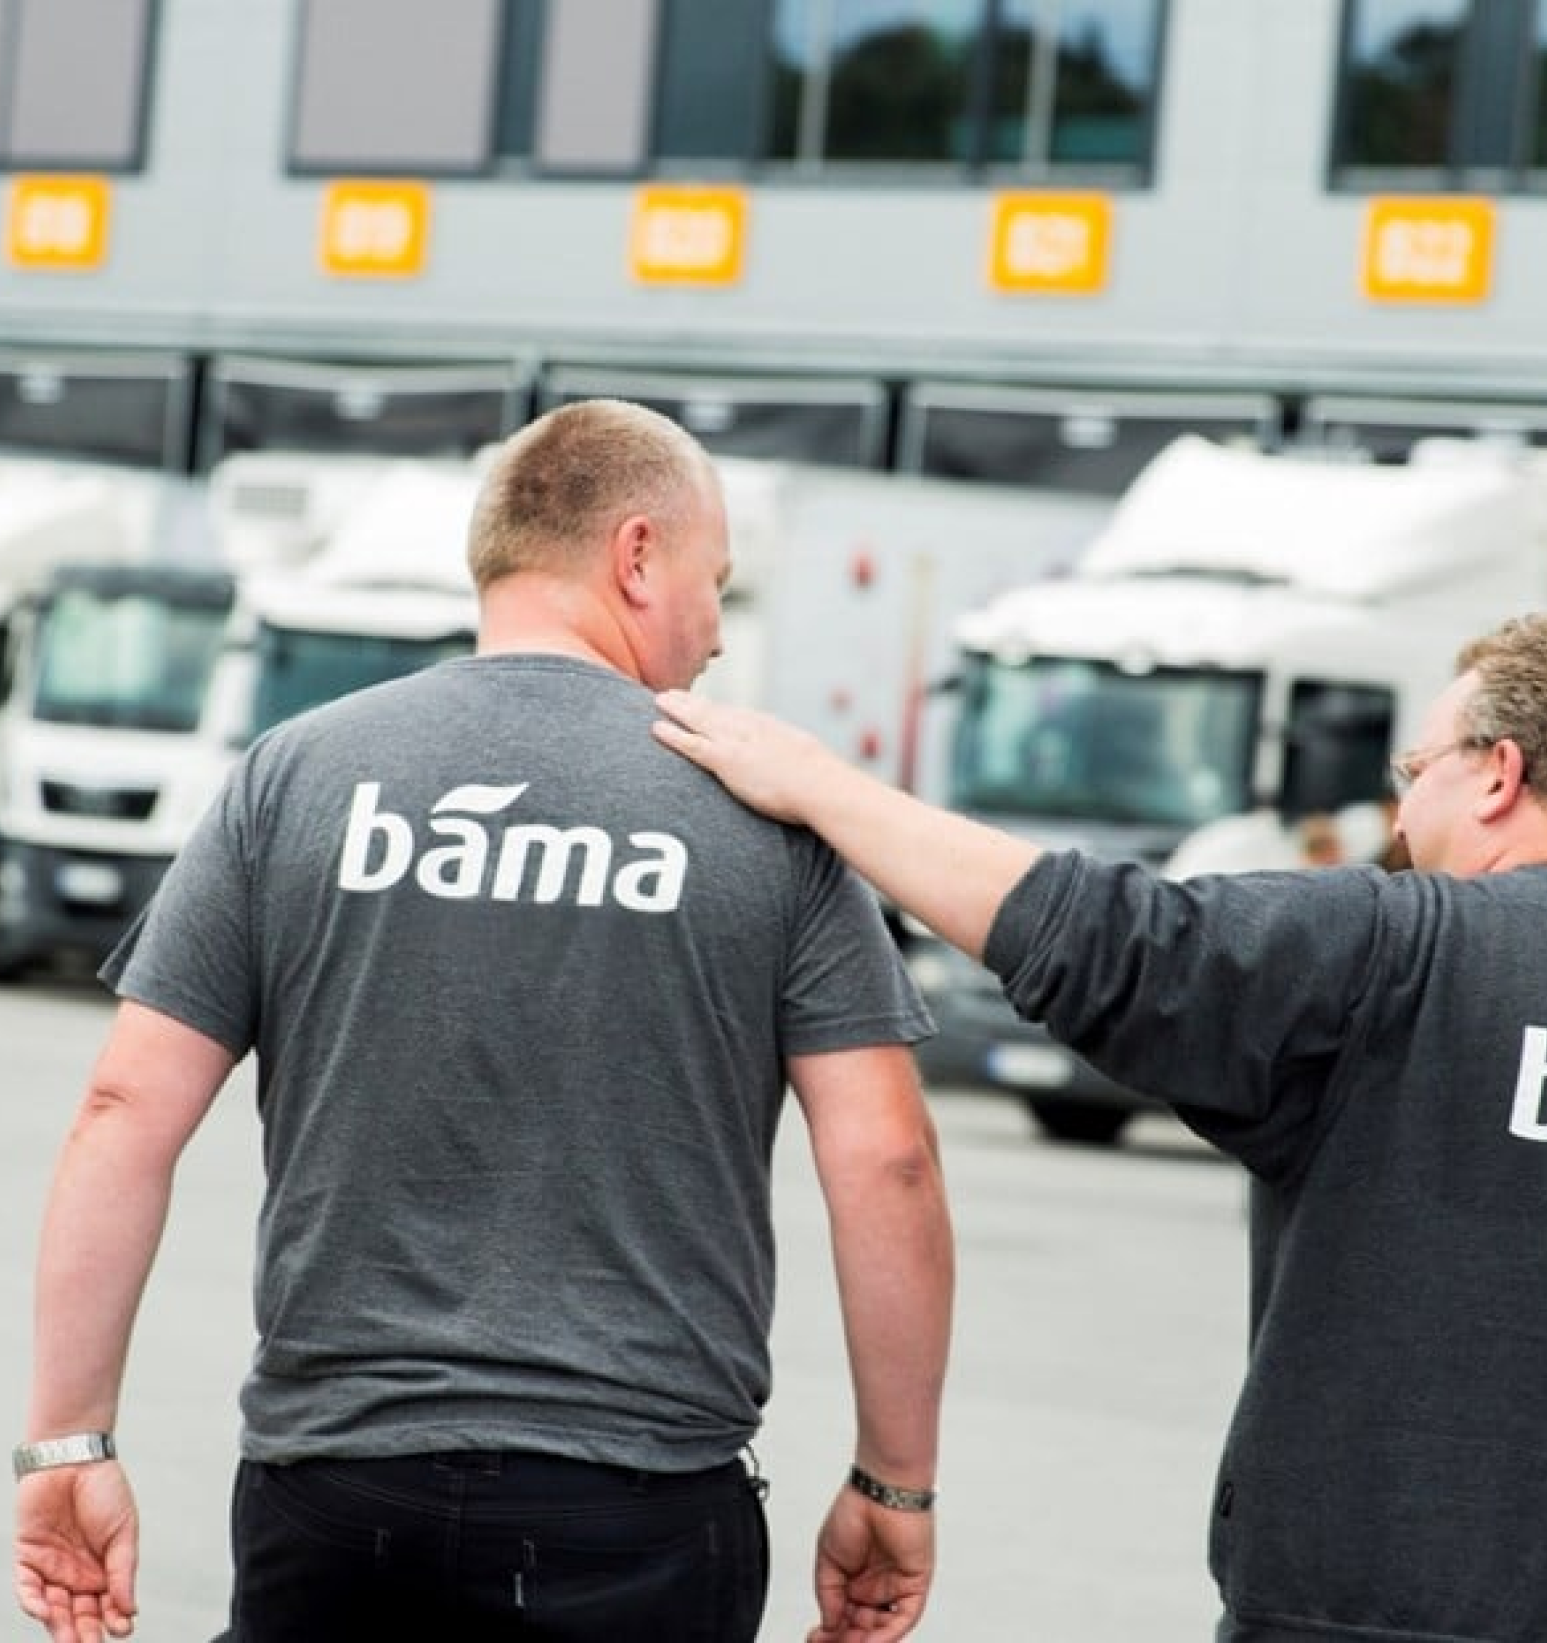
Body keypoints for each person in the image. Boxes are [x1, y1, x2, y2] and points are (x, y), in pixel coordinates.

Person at [651, 612, 1547, 1642]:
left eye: (1413, 770)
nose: (1396, 812)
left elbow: (1103, 939)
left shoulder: (1398, 953)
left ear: (1498, 773)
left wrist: (820, 786)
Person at [13, 399, 954, 1643]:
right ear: (634, 555)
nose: (719, 633)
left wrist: (68, 1437)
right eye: (715, 583)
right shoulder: (766, 813)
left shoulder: (296, 776)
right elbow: (885, 1159)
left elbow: (124, 1109)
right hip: (641, 1507)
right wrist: (894, 1481)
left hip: (335, 1495)